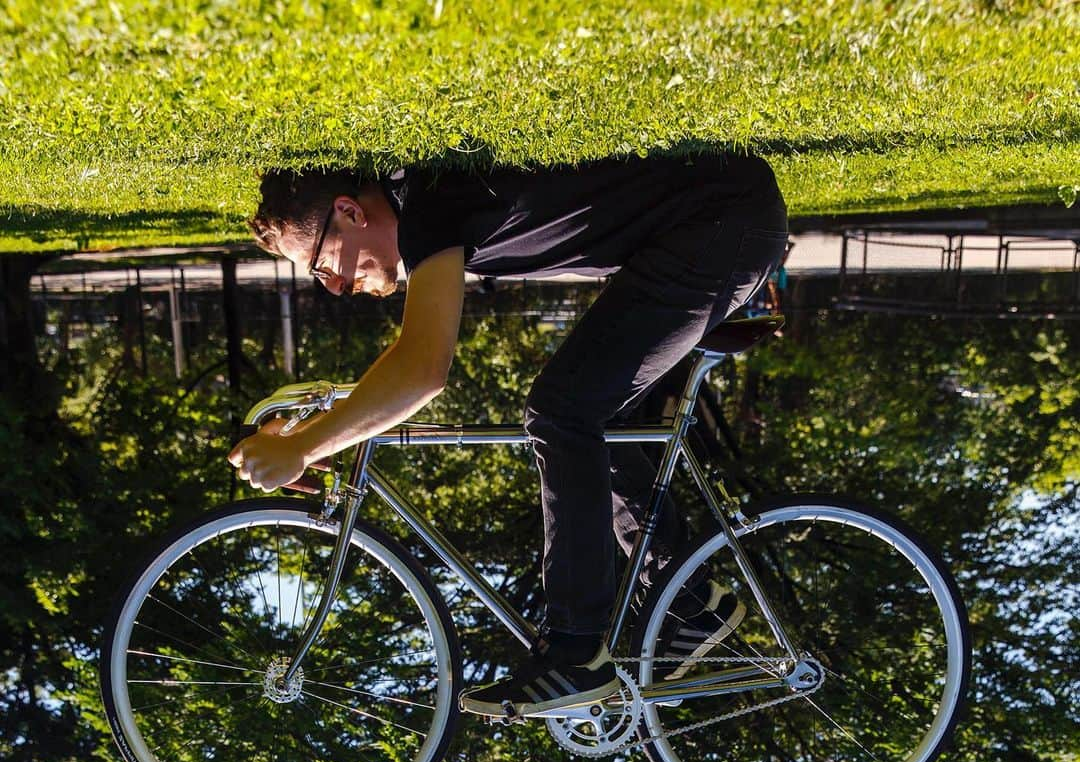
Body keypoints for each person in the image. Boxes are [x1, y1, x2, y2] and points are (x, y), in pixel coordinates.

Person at [235, 151, 788, 717]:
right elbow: (403, 369)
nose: (333, 285)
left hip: (720, 222)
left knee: (562, 410)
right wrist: (312, 430)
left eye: (321, 262)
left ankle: (575, 651)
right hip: (713, 222)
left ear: (350, 212)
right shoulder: (423, 202)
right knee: (595, 413)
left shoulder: (428, 206)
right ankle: (688, 601)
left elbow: (422, 369)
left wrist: (302, 449)